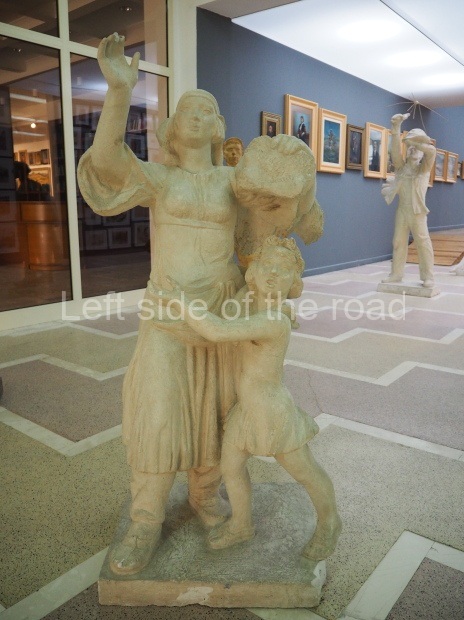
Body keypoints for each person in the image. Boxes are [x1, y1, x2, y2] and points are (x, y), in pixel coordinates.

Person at [77, 33, 319, 576]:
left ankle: (205, 496)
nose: (197, 113)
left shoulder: (235, 182)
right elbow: (107, 162)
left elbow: (280, 218)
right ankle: (145, 518)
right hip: (170, 309)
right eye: (188, 108)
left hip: (226, 307)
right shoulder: (160, 178)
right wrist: (119, 91)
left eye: (207, 109)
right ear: (171, 128)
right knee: (160, 406)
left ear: (218, 128)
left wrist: (292, 187)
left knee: (216, 410)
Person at [159, 236, 342, 559]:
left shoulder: (274, 322)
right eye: (266, 265)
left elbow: (217, 330)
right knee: (231, 467)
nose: (273, 273)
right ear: (253, 273)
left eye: (283, 269)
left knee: (304, 470)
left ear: (294, 282)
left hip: (271, 411)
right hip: (246, 408)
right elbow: (232, 309)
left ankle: (330, 522)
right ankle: (242, 524)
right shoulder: (251, 302)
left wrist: (179, 301)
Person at [381, 113, 436, 287]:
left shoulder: (423, 169)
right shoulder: (401, 168)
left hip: (418, 212)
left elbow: (432, 151)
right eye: (410, 147)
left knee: (422, 242)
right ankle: (396, 274)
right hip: (402, 210)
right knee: (398, 242)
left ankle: (428, 277)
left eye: (417, 148)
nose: (413, 150)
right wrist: (396, 128)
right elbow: (394, 151)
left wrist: (416, 142)